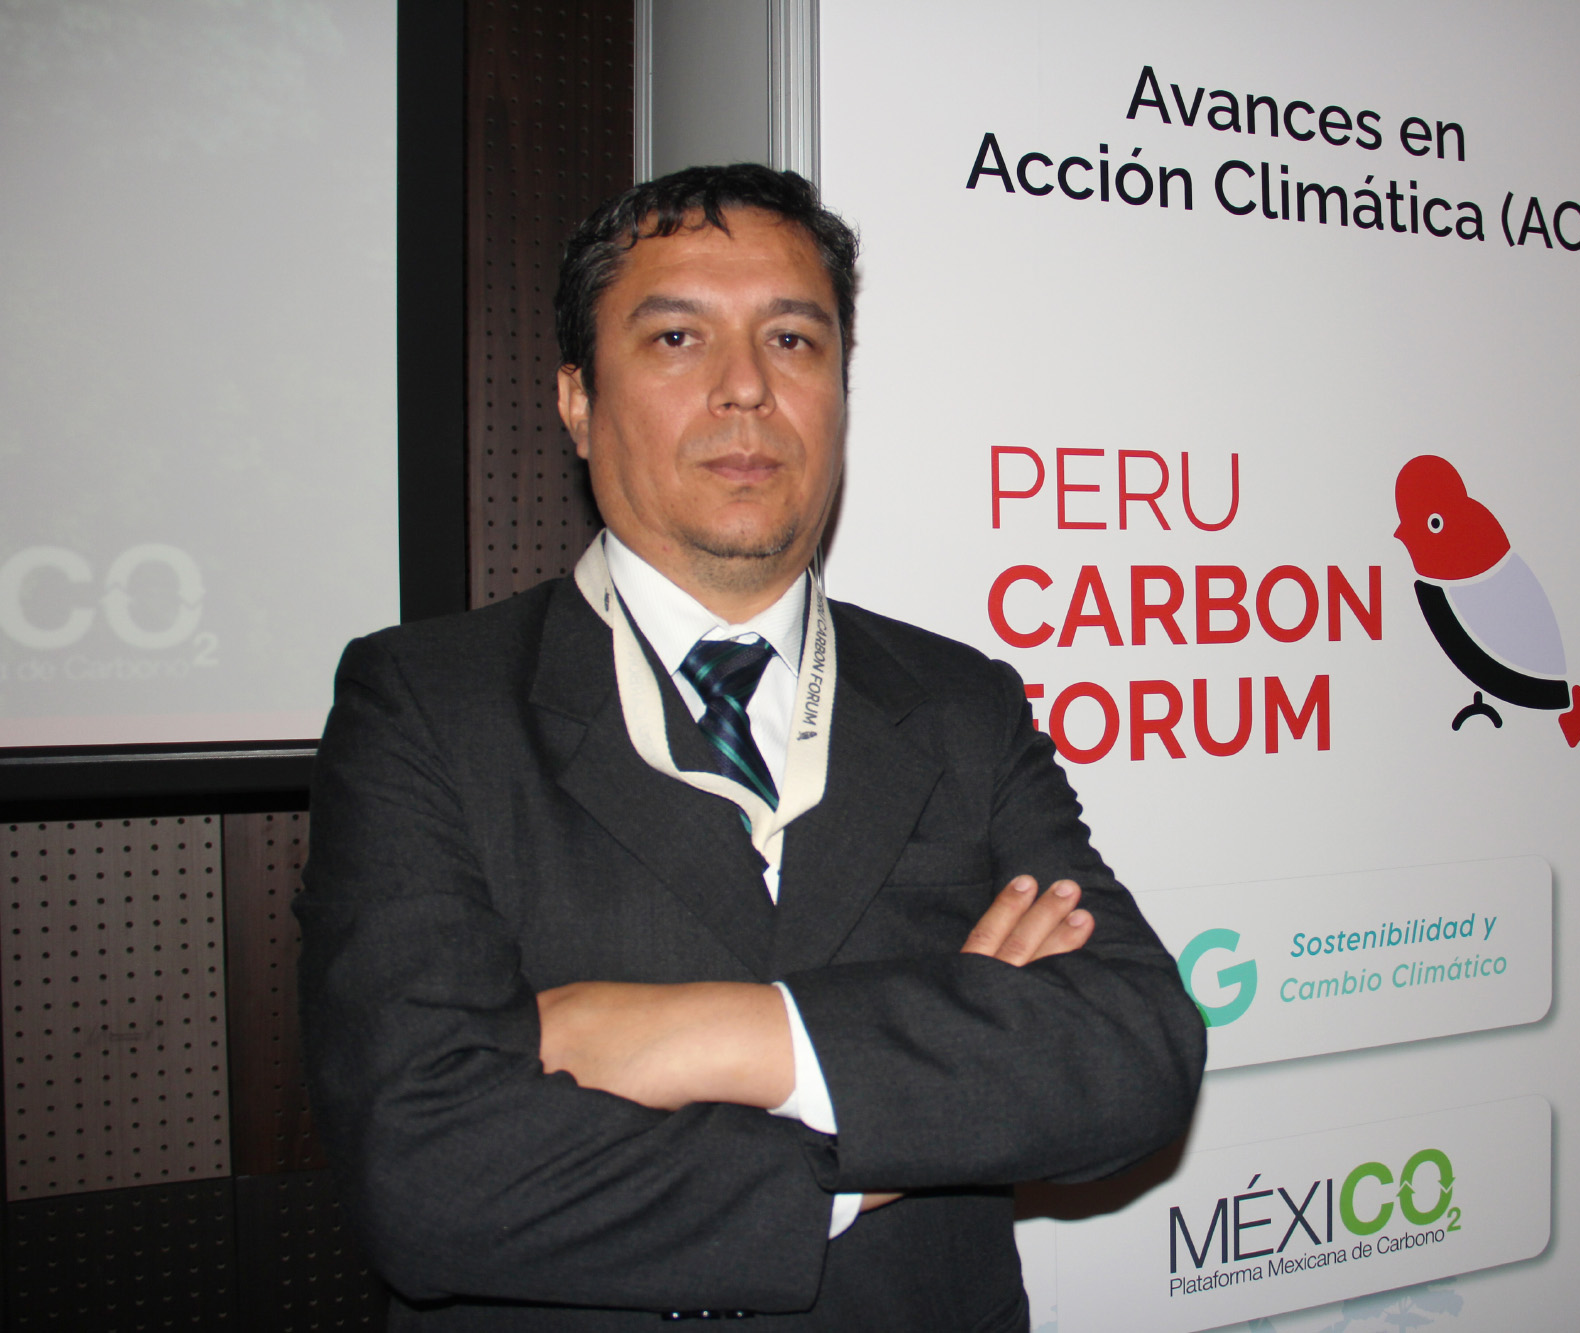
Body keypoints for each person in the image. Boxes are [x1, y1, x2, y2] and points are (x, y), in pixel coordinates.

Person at [296, 163, 1205, 1330]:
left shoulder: (956, 703)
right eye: (677, 338)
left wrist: (710, 1039)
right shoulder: (426, 704)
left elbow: (1132, 1051)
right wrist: (927, 1082)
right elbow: (426, 1175)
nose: (745, 388)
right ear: (577, 400)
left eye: (792, 340)